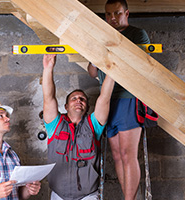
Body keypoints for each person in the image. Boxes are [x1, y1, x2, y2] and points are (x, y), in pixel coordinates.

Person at [87, 0, 150, 199]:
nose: (112, 18)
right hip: (107, 101)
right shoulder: (103, 37)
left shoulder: (137, 34)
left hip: (127, 98)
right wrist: (97, 52)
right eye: (108, 14)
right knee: (116, 156)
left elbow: (144, 68)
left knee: (126, 154)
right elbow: (92, 72)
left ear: (126, 13)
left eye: (117, 13)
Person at [42, 54, 115, 200]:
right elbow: (48, 98)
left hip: (88, 195)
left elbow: (104, 99)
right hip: (58, 194)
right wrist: (48, 68)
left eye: (82, 99)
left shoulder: (94, 125)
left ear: (87, 106)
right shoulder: (54, 125)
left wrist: (113, 70)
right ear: (66, 106)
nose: (78, 101)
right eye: (73, 99)